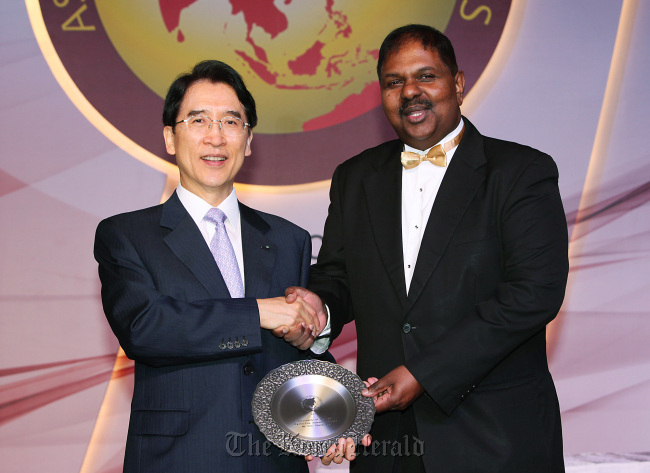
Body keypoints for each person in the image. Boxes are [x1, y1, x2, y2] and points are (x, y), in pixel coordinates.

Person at [287, 24, 569, 472]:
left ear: (457, 84)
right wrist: (317, 306)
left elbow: (533, 295)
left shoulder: (520, 172)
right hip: (386, 445)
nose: (410, 92)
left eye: (426, 76)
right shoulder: (355, 178)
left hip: (495, 439)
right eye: (394, 82)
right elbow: (339, 274)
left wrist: (424, 373)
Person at [94, 60, 324, 473]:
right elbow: (147, 328)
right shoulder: (126, 234)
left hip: (271, 462)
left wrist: (341, 414)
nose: (216, 137)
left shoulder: (290, 239)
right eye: (198, 120)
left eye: (231, 122)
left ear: (249, 140)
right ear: (170, 136)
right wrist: (259, 311)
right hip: (179, 460)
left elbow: (294, 355)